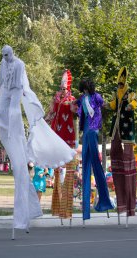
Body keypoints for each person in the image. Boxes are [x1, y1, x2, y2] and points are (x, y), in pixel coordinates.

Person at [0, 45, 75, 238]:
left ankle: (14, 131)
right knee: (0, 111)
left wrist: (22, 93)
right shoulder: (3, 64)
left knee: (13, 112)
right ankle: (7, 129)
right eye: (3, 55)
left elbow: (22, 83)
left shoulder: (20, 64)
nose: (5, 58)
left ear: (12, 53)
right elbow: (0, 78)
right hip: (5, 90)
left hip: (16, 91)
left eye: (7, 55)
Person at [75, 78, 114, 221]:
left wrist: (114, 104)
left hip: (93, 128)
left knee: (95, 164)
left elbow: (104, 105)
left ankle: (104, 201)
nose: (84, 89)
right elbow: (75, 106)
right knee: (85, 163)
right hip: (86, 129)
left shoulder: (96, 96)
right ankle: (86, 210)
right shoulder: (82, 98)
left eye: (85, 87)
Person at [45, 69, 78, 219]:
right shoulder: (56, 98)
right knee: (58, 170)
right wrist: (43, 120)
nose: (63, 89)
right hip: (57, 133)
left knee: (67, 168)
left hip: (68, 134)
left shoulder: (72, 99)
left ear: (69, 86)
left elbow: (76, 112)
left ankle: (67, 207)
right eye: (62, 86)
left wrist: (76, 105)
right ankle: (57, 207)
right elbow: (51, 112)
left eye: (65, 86)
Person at [107, 67, 137, 218]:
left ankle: (130, 205)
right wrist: (106, 105)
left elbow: (135, 101)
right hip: (116, 126)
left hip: (127, 127)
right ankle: (121, 205)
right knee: (113, 151)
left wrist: (132, 105)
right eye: (118, 83)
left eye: (121, 84)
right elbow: (113, 104)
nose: (119, 86)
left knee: (127, 155)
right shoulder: (116, 92)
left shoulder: (130, 91)